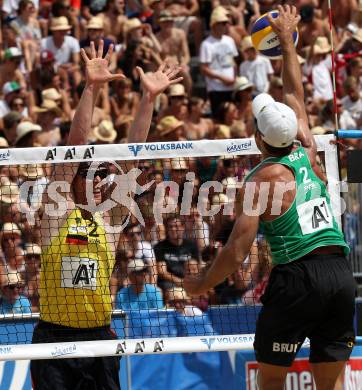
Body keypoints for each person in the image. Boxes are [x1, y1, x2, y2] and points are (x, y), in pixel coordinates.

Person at [184, 6, 356, 390]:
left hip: (297, 277)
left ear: (258, 139)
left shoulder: (258, 183)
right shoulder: (307, 150)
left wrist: (200, 285)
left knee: (272, 381)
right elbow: (294, 90)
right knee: (330, 385)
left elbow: (236, 253)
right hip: (340, 273)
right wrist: (289, 42)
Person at [30, 40, 182, 390]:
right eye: (91, 175)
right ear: (75, 182)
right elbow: (74, 146)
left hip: (100, 336)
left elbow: (131, 158)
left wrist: (148, 99)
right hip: (55, 338)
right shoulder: (57, 214)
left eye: (102, 175)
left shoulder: (110, 220)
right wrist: (91, 88)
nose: (99, 181)